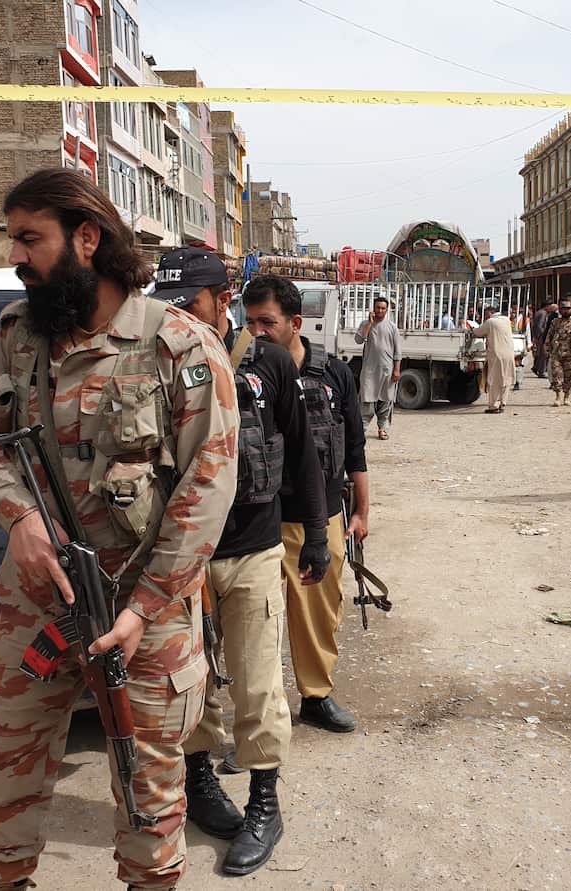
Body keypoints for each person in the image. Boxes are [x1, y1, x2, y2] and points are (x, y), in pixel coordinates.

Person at [0, 168, 240, 891]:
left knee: (148, 808)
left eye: (28, 238)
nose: (16, 254)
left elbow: (208, 488)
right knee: (0, 800)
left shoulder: (180, 346)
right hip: (39, 604)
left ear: (86, 237)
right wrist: (19, 518)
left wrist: (141, 609)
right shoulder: (18, 335)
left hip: (146, 612)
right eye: (15, 238)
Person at [151, 249, 330, 876]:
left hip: (251, 549)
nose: (175, 316)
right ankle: (200, 783)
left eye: (189, 304)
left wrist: (315, 535)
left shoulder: (269, 363)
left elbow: (303, 454)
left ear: (220, 302)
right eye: (165, 303)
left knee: (258, 681)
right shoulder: (152, 363)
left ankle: (263, 803)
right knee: (189, 683)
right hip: (179, 560)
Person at [243, 276, 370, 734]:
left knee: (318, 616)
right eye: (249, 321)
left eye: (268, 323)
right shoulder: (239, 376)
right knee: (255, 624)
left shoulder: (334, 375)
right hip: (258, 520)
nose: (257, 332)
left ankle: (316, 696)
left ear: (295, 323)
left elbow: (354, 446)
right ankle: (260, 716)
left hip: (318, 518)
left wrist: (361, 512)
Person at [355, 295, 401, 440]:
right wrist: (369, 323)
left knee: (385, 402)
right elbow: (358, 340)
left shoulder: (392, 327)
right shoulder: (365, 324)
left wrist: (397, 369)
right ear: (373, 308)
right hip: (369, 370)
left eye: (383, 308)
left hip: (387, 370)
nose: (380, 310)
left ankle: (382, 429)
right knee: (366, 401)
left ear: (387, 310)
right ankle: (361, 429)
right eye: (378, 308)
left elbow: (398, 352)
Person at [471, 306, 514, 414]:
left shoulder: (491, 322)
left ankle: (494, 406)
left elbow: (477, 332)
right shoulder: (506, 320)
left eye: (485, 314)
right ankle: (503, 403)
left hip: (497, 355)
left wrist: (472, 329)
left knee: (494, 380)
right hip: (509, 354)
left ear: (490, 313)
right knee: (506, 379)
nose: (485, 317)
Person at [544, 299, 571, 407]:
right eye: (563, 308)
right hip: (557, 353)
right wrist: (546, 348)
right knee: (556, 374)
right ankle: (558, 396)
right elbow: (549, 335)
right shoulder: (555, 322)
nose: (565, 310)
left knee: (569, 376)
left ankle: (566, 397)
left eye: (568, 308)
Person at [530, 301, 553, 377]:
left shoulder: (539, 312)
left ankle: (536, 367)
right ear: (546, 306)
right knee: (543, 354)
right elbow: (540, 326)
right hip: (541, 336)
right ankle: (541, 371)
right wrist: (544, 335)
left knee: (539, 353)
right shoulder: (543, 313)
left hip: (537, 335)